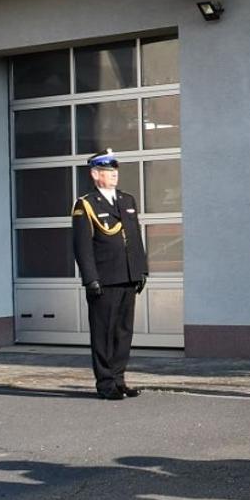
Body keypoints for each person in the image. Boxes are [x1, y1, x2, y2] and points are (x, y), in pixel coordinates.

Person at [72, 149, 149, 402]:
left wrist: (141, 270)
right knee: (104, 333)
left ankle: (119, 379)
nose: (114, 176)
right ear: (96, 174)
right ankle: (105, 383)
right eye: (108, 172)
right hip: (104, 280)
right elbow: (82, 246)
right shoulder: (86, 205)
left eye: (115, 172)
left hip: (127, 276)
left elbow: (135, 238)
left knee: (123, 331)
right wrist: (90, 278)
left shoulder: (127, 200)